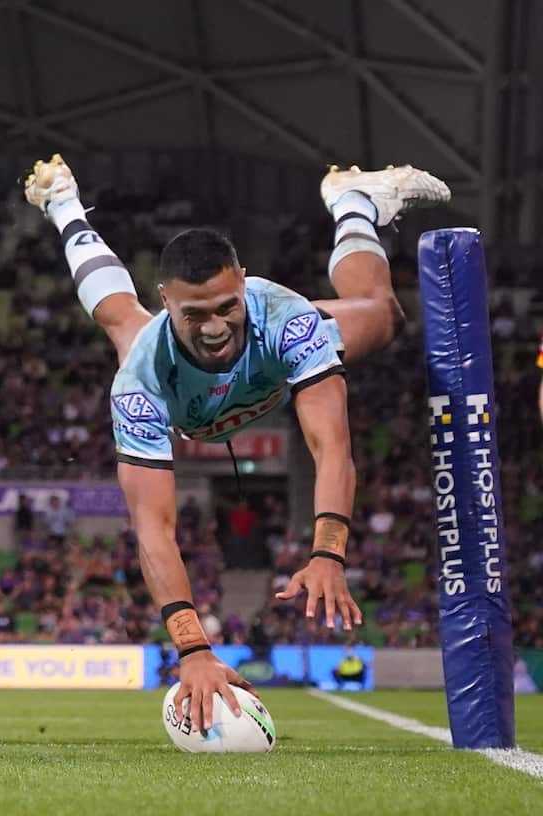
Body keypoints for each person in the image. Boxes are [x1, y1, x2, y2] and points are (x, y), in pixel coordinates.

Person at [23, 154, 449, 734]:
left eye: (228, 306)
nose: (217, 327)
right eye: (196, 314)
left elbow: (330, 447)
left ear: (243, 282)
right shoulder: (141, 384)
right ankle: (66, 204)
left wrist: (328, 552)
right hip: (181, 400)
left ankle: (355, 201)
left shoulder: (284, 318)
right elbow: (154, 529)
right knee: (124, 323)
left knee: (384, 316)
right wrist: (193, 649)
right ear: (168, 302)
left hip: (268, 367)